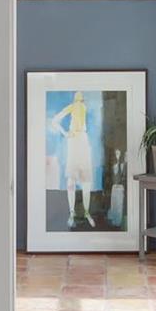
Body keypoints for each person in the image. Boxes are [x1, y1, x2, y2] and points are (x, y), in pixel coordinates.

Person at [51, 91, 95, 228]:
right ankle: (72, 213)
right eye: (78, 100)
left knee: (86, 180)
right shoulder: (72, 107)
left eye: (81, 100)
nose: (80, 103)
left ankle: (87, 212)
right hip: (74, 141)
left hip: (83, 141)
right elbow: (55, 121)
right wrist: (65, 133)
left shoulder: (84, 108)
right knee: (71, 179)